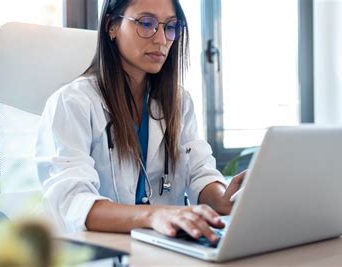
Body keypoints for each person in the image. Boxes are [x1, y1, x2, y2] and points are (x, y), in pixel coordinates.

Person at [35, 0, 245, 244]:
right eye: (147, 23)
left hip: (162, 249)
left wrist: (225, 198)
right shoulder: (73, 102)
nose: (161, 39)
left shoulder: (178, 101)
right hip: (94, 252)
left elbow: (199, 172)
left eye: (171, 27)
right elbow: (72, 202)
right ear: (112, 26)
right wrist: (156, 215)